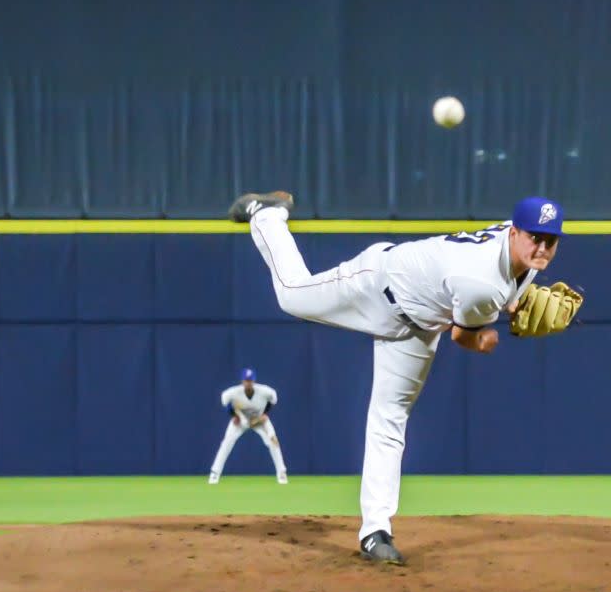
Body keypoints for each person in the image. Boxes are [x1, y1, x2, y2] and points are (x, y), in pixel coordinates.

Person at [229, 190, 575, 563]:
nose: (541, 247)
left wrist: (515, 303)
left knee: (390, 418)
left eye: (549, 240)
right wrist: (487, 340)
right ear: (514, 233)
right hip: (379, 285)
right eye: (534, 237)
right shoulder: (482, 282)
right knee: (292, 295)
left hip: (419, 325)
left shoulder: (521, 259)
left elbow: (501, 293)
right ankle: (267, 215)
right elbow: (462, 336)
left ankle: (375, 532)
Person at [208, 369, 287, 484]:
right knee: (227, 442)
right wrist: (234, 415)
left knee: (273, 441)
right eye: (246, 380)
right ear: (242, 381)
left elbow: (273, 399)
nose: (248, 383)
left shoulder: (265, 391)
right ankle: (215, 473)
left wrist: (265, 414)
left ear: (254, 381)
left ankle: (281, 473)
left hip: (259, 421)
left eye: (250, 380)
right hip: (241, 421)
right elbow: (225, 400)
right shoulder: (233, 392)